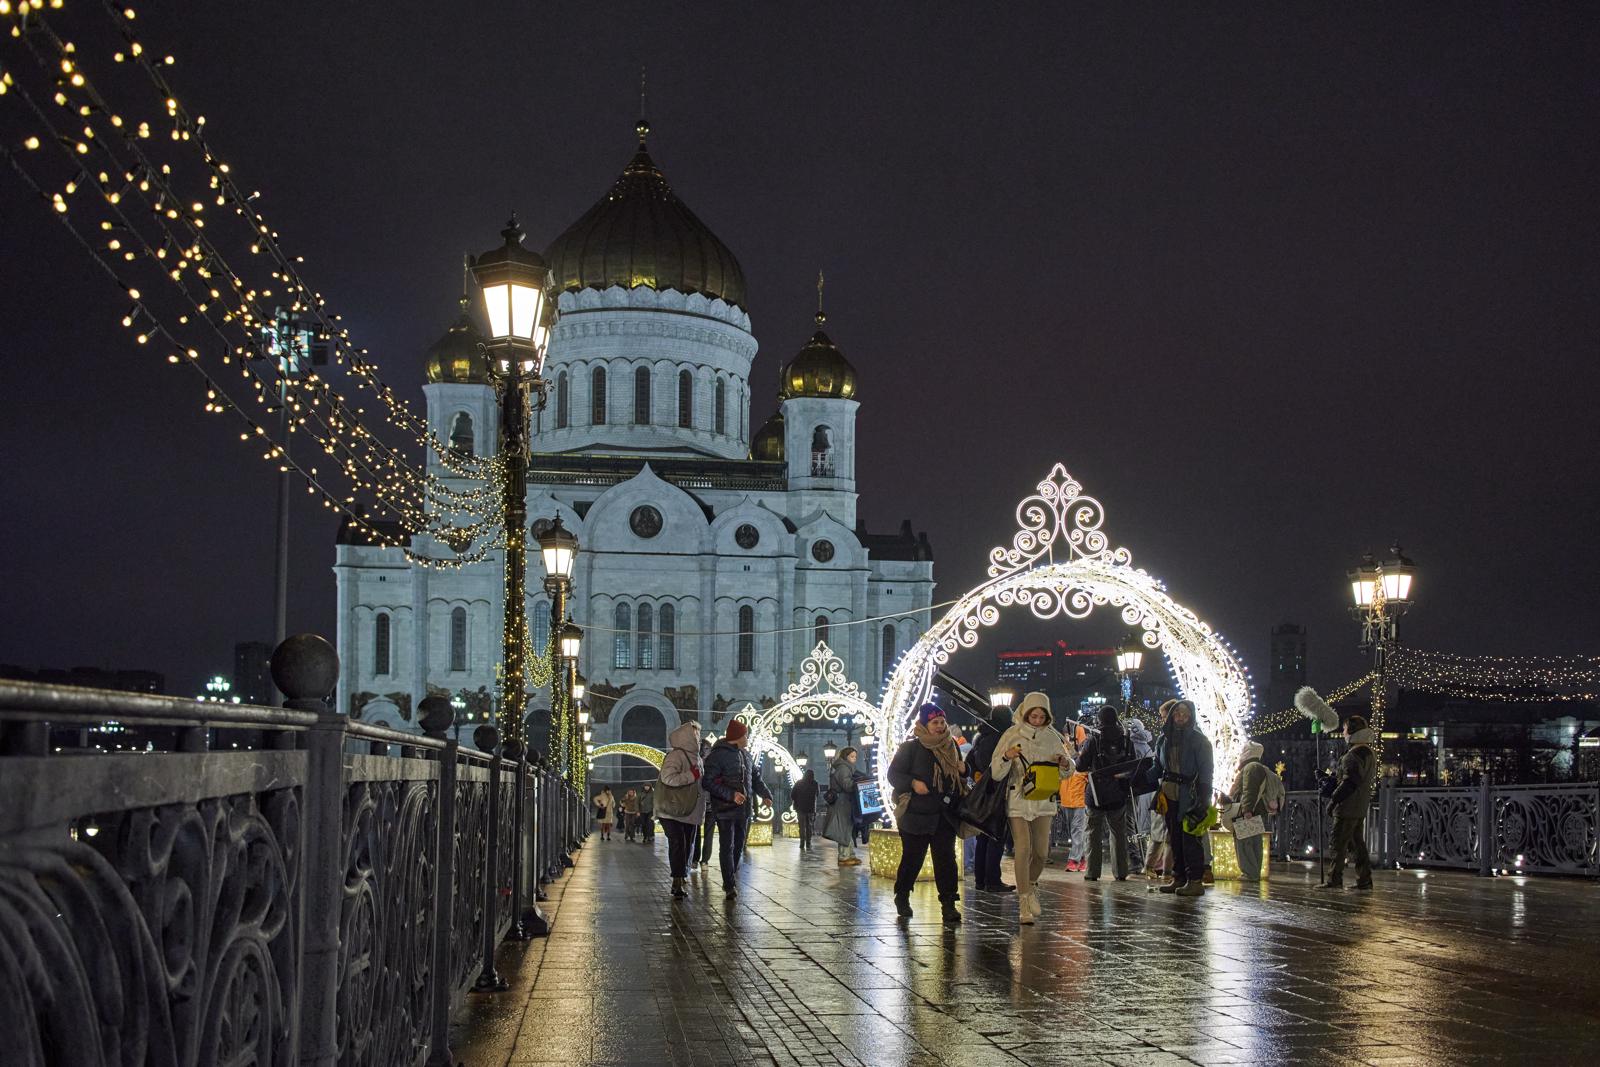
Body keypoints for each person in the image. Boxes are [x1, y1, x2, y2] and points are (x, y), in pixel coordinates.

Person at [991, 692, 1071, 924]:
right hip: (1017, 798)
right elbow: (995, 772)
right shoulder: (1012, 734)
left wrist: (1065, 763)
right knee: (1023, 848)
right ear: (1025, 714)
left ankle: (1031, 884)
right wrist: (1007, 757)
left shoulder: (1052, 737)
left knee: (1042, 852)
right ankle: (1023, 901)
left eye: (1041, 717)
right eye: (1033, 716)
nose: (1037, 720)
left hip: (1044, 800)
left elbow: (1068, 770)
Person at [887, 704, 967, 923]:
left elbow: (959, 775)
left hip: (944, 814)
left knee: (946, 860)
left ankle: (949, 904)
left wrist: (965, 770)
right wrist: (912, 783)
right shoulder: (911, 748)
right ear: (924, 724)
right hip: (916, 815)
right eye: (934, 722)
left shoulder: (952, 745)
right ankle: (902, 895)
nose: (940, 726)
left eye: (942, 722)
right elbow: (893, 775)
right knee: (913, 859)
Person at [702, 719, 771, 897]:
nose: (747, 738)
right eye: (745, 735)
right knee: (727, 846)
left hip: (743, 810)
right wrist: (731, 795)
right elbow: (707, 782)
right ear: (738, 737)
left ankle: (730, 875)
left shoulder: (746, 755)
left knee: (738, 846)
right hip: (724, 809)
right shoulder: (717, 755)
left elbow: (755, 778)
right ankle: (729, 885)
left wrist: (766, 794)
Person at [1155, 699, 1213, 897]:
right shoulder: (1164, 739)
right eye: (1177, 713)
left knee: (1190, 838)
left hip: (1190, 795)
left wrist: (1204, 798)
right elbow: (1157, 766)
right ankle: (1179, 877)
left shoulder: (1199, 740)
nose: (1180, 717)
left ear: (1191, 716)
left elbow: (1206, 771)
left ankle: (1195, 880)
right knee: (1175, 838)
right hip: (1169, 793)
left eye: (1185, 714)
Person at [1319, 715, 1379, 890]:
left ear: (1352, 731)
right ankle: (1364, 879)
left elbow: (1349, 783)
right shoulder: (1368, 752)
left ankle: (1334, 879)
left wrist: (1333, 800)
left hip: (1347, 806)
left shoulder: (1352, 756)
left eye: (1345, 729)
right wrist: (1329, 779)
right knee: (1357, 844)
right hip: (1360, 805)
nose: (1343, 733)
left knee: (1338, 843)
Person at [1078, 703, 1135, 882]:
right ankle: (1121, 872)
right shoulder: (1126, 740)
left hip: (1096, 794)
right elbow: (1133, 765)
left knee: (1092, 833)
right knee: (1119, 834)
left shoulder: (1093, 739)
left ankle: (1092, 872)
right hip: (1118, 793)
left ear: (1099, 719)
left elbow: (1080, 766)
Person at [967, 703, 1015, 892]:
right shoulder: (1001, 739)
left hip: (983, 793)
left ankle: (980, 880)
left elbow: (970, 762)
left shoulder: (981, 738)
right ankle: (993, 880)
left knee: (983, 836)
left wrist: (977, 775)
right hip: (997, 792)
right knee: (996, 836)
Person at [658, 720, 707, 898]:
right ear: (687, 736)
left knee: (687, 845)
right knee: (678, 843)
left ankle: (681, 875)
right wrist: (691, 775)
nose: (698, 737)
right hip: (673, 810)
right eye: (696, 734)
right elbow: (667, 777)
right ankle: (677, 881)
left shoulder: (697, 757)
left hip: (690, 809)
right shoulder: (676, 755)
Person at [1218, 741, 1276, 883]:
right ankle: (1253, 872)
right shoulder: (1257, 766)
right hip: (1254, 810)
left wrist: (1247, 810)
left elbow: (1249, 791)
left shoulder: (1251, 767)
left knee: (1245, 843)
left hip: (1248, 811)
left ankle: (1250, 873)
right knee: (1253, 843)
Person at [822, 747, 863, 866]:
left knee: (848, 829)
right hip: (842, 803)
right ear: (846, 756)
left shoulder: (846, 767)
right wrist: (858, 782)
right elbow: (847, 785)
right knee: (844, 829)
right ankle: (844, 856)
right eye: (852, 756)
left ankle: (850, 854)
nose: (854, 759)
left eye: (855, 757)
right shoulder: (843, 768)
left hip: (846, 802)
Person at [1126, 716, 1156, 872]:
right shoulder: (1147, 746)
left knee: (1131, 825)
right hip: (1147, 791)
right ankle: (1145, 858)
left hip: (1134, 791)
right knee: (1142, 825)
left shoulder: (1131, 747)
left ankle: (1136, 860)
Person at [791, 767, 820, 851]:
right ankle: (808, 842)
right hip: (811, 808)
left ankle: (802, 842)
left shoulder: (799, 783)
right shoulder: (815, 783)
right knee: (809, 826)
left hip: (800, 808)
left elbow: (792, 795)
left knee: (801, 826)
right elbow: (817, 794)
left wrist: (797, 800)